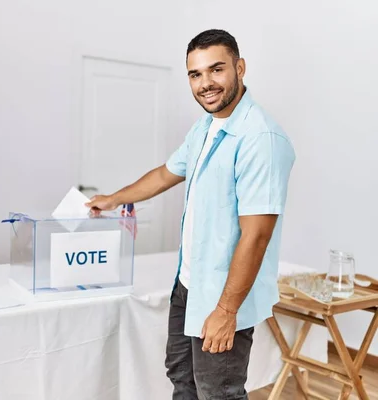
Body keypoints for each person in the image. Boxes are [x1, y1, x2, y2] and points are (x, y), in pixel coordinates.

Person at [86, 29, 295, 399]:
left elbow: (257, 235)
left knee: (219, 391)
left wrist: (226, 311)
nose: (205, 84)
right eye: (195, 74)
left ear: (240, 67)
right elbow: (167, 173)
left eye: (216, 70)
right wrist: (114, 199)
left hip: (222, 295)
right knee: (182, 377)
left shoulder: (259, 138)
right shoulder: (205, 127)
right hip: (188, 285)